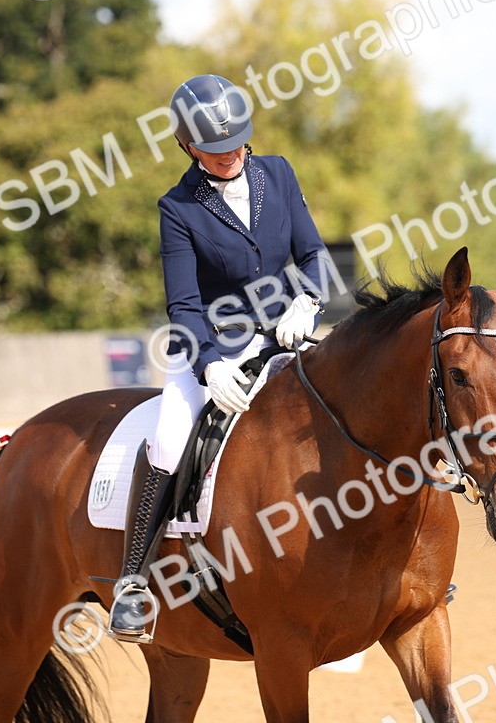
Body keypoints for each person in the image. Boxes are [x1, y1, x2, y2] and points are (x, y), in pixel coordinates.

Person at [109, 74, 330, 643]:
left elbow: (312, 254)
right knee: (170, 434)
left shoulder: (277, 173)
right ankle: (133, 581)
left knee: (355, 400)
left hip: (285, 336)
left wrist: (308, 299)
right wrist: (208, 363)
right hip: (213, 348)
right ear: (187, 145)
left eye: (236, 144)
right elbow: (182, 303)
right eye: (214, 148)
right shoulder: (177, 207)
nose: (229, 155)